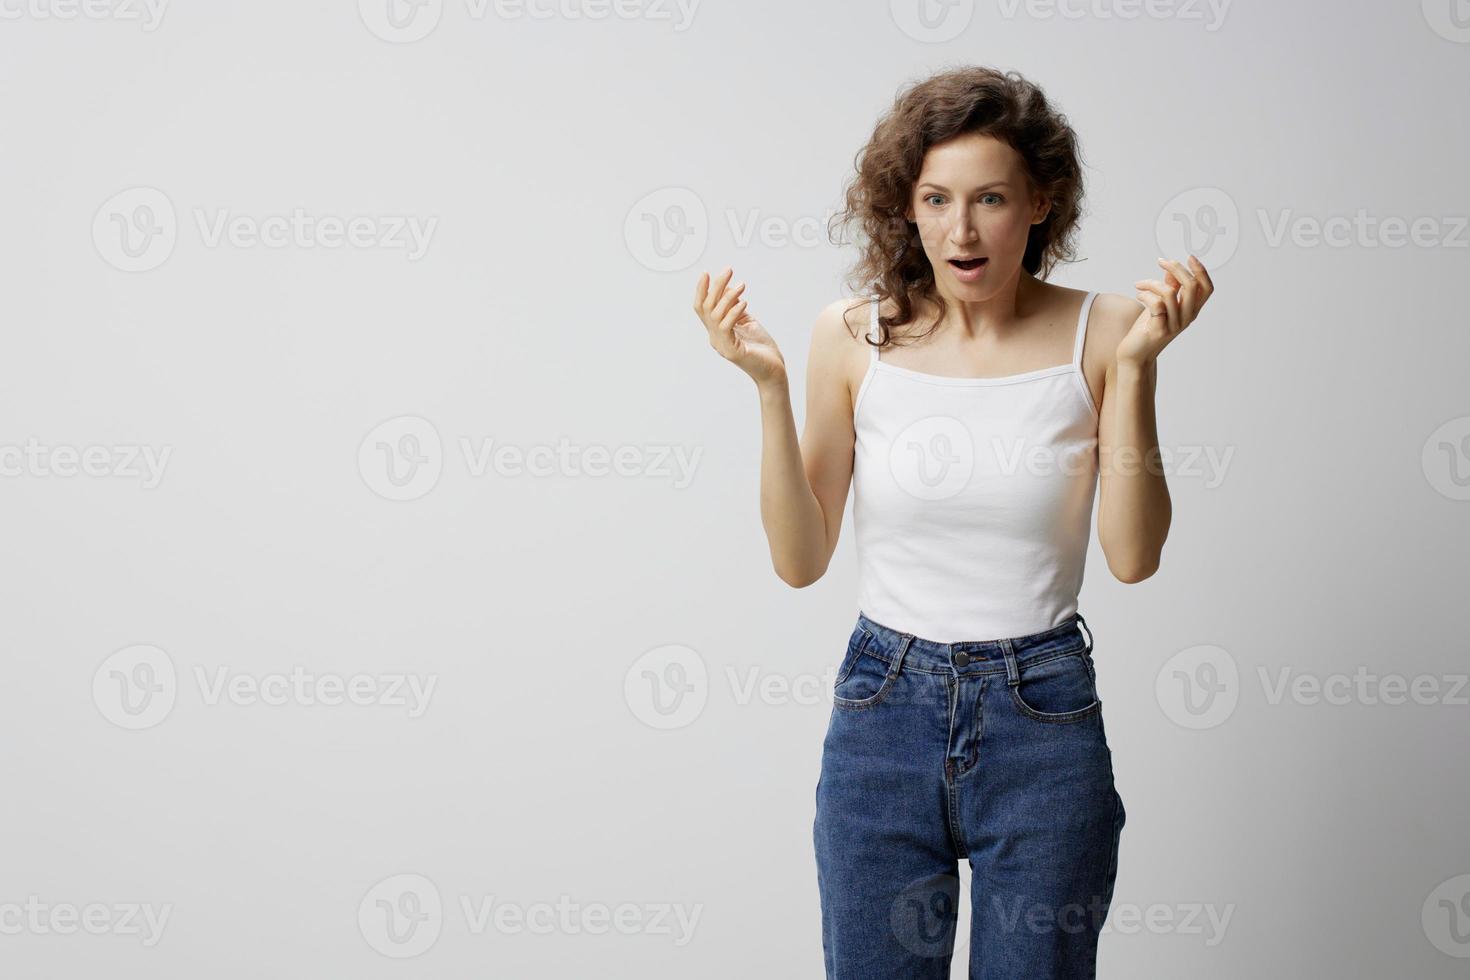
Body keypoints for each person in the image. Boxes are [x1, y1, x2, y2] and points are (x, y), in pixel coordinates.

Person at [690, 65, 1213, 979]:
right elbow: (800, 558)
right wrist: (768, 386)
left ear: (1041, 204)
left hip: (1041, 719)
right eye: (936, 198)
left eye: (990, 199)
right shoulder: (853, 336)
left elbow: (1132, 556)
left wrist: (1133, 372)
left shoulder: (1108, 329)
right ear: (907, 207)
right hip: (882, 712)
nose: (961, 229)